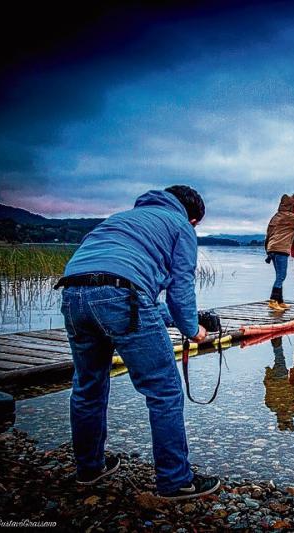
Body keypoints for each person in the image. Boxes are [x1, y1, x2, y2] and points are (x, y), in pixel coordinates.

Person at [56, 185, 220, 500]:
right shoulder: (181, 225)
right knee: (164, 389)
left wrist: (178, 319)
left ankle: (89, 467)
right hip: (122, 295)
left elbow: (130, 295)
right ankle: (175, 480)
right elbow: (179, 290)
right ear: (193, 219)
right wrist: (193, 330)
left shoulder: (121, 219)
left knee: (88, 386)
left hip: (73, 293)